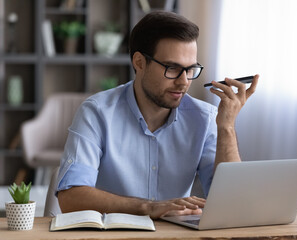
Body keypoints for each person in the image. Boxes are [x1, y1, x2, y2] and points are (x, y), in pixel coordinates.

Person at [56, 11, 259, 219]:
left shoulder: (204, 118)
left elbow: (233, 203)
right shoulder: (97, 113)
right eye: (172, 68)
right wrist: (148, 207)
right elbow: (71, 197)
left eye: (190, 69)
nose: (184, 82)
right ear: (139, 62)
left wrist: (227, 127)